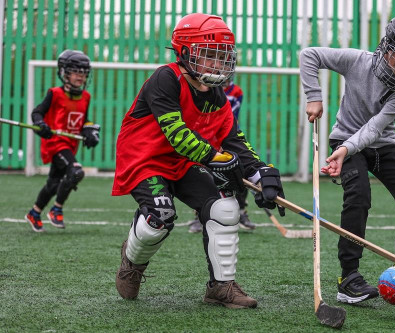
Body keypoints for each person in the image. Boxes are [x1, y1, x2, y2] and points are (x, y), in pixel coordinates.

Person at [112, 13, 285, 308]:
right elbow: (176, 133)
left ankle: (220, 287)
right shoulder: (165, 78)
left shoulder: (217, 94)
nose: (219, 63)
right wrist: (216, 157)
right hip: (145, 161)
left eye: (223, 56)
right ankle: (132, 262)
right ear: (184, 53)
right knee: (160, 218)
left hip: (183, 163)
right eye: (210, 56)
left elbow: (234, 140)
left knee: (225, 207)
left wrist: (261, 175)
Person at [300, 10, 395, 306]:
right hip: (344, 139)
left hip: (381, 144)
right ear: (386, 46)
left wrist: (349, 149)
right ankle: (348, 278)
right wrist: (314, 95)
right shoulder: (356, 60)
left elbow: (375, 128)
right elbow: (310, 54)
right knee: (359, 197)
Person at [24, 50, 100, 232]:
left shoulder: (86, 97)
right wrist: (40, 123)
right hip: (55, 143)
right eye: (76, 72)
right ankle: (57, 209)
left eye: (83, 72)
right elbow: (37, 112)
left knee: (53, 184)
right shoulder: (55, 94)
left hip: (70, 146)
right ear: (64, 73)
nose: (80, 76)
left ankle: (34, 213)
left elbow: (84, 120)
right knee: (76, 172)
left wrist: (89, 130)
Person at [187, 79, 256, 233]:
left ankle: (241, 211)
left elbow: (232, 116)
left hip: (226, 135)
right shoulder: (202, 88)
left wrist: (225, 140)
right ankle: (200, 215)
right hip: (206, 138)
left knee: (239, 172)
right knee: (204, 175)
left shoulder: (236, 91)